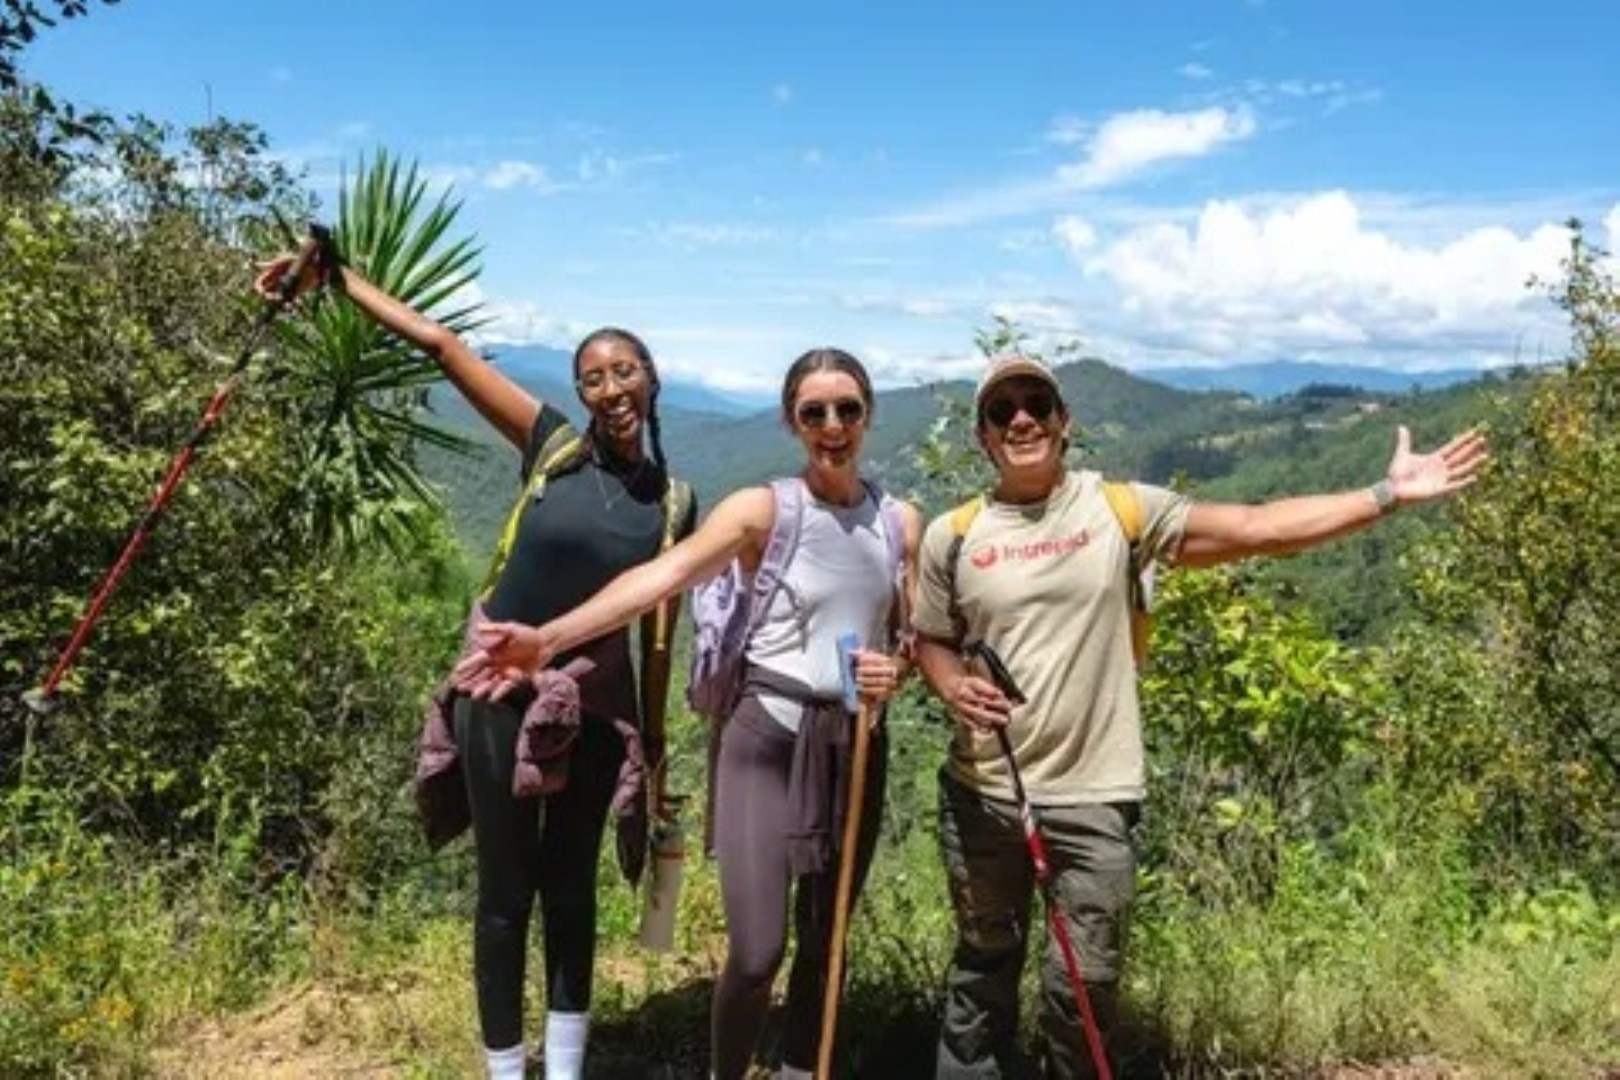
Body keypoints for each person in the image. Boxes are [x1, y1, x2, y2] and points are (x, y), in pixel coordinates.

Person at [910, 354, 1488, 1079]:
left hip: (1095, 797)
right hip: (984, 794)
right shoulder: (954, 534)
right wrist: (951, 685)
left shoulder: (1120, 511)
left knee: (1082, 990)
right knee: (982, 971)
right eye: (1002, 411)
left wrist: (1385, 495)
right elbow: (930, 638)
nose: (1021, 419)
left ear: (1064, 422)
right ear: (983, 436)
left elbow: (1257, 527)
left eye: (1037, 404)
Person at [254, 248, 697, 1080]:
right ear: (580, 395)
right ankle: (503, 1069)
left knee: (571, 886)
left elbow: (659, 633)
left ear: (651, 379)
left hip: (597, 700)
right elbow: (442, 346)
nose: (611, 389)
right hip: (496, 683)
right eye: (593, 378)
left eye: (625, 371)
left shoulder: (675, 503)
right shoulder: (552, 446)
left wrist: (656, 739)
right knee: (505, 888)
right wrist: (335, 279)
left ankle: (563, 1069)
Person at [455, 347, 924, 1080]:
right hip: (768, 731)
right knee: (759, 951)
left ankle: (801, 1069)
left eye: (847, 409)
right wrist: (548, 639)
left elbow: (915, 636)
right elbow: (661, 578)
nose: (833, 426)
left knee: (826, 940)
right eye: (814, 412)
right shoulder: (761, 510)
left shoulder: (901, 524)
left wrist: (899, 668)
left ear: (868, 415)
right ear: (792, 421)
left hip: (857, 737)